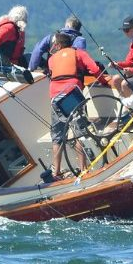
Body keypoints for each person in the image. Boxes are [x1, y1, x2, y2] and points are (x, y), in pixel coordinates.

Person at [45, 32, 104, 178]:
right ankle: (83, 169)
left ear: (58, 45)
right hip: (72, 93)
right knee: (79, 131)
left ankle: (56, 171)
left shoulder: (51, 59)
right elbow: (95, 69)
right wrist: (104, 82)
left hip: (55, 97)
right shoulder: (79, 53)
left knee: (58, 134)